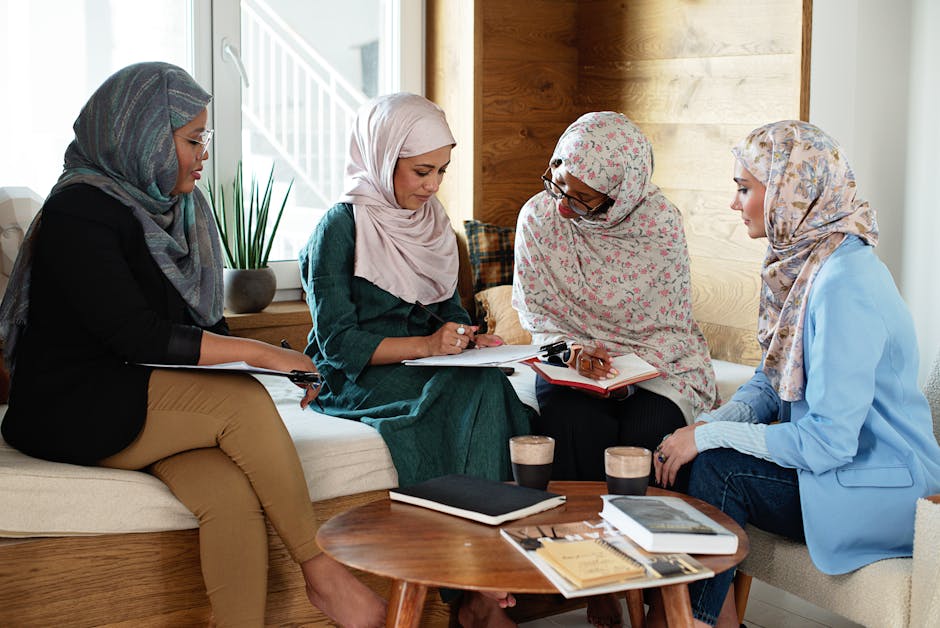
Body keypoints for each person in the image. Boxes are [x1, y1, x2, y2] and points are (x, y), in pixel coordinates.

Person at [0, 62, 386, 628]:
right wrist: (265, 357)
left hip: (137, 397)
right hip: (69, 403)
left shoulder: (177, 209)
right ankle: (321, 570)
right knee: (241, 403)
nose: (203, 152)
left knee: (230, 495)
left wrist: (278, 371)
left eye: (204, 138)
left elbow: (199, 324)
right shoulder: (79, 210)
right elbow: (134, 334)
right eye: (191, 139)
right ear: (145, 138)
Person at [651, 120, 940, 628]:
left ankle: (691, 621)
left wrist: (712, 436)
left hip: (881, 488)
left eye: (744, 188)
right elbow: (774, 375)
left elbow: (829, 442)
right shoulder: (807, 259)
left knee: (718, 466)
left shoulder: (844, 283)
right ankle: (704, 619)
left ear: (788, 191)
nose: (733, 203)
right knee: (699, 449)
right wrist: (710, 424)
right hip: (842, 469)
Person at [299, 92, 531, 627]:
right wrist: (429, 347)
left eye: (441, 172)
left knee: (491, 385)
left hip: (426, 365)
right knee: (470, 394)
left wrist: (470, 339)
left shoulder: (432, 222)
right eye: (421, 171)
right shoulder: (340, 227)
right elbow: (337, 345)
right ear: (382, 158)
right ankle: (474, 591)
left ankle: (480, 583)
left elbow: (446, 312)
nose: (431, 185)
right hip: (358, 374)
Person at [512, 111, 718, 628]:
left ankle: (657, 586)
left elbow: (668, 321)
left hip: (655, 362)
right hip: (572, 361)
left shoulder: (659, 223)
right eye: (557, 183)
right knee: (574, 425)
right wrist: (577, 351)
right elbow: (538, 312)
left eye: (582, 199)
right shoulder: (539, 218)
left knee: (649, 433)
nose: (562, 204)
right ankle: (597, 581)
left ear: (620, 195)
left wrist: (625, 368)